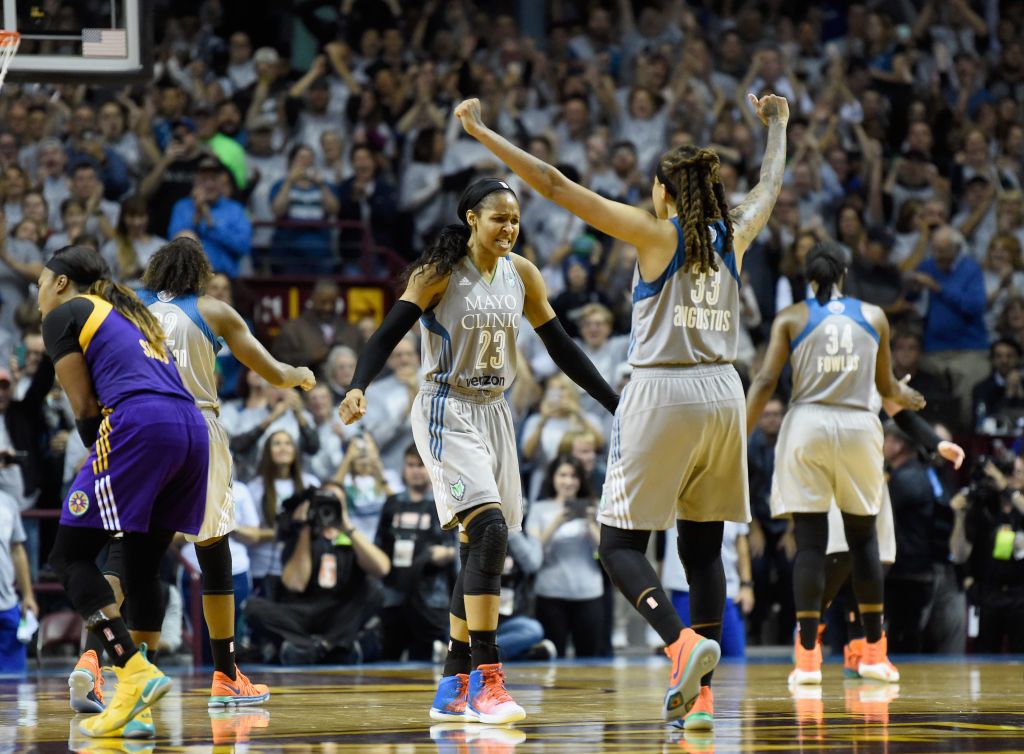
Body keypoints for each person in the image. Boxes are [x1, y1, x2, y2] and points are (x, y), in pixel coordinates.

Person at [450, 93, 788, 728]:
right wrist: (778, 125)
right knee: (703, 546)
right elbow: (771, 182)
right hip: (724, 391)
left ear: (664, 191)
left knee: (619, 544)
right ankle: (702, 697)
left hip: (664, 391)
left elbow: (552, 183)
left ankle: (679, 641)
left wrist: (481, 130)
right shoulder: (734, 235)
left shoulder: (655, 233)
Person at [338, 178, 619, 725]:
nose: (509, 228)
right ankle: (490, 680)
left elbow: (561, 347)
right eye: (499, 219)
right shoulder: (438, 273)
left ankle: (452, 681)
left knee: (480, 545)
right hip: (445, 404)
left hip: (495, 411)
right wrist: (358, 385)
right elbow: (387, 333)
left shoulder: (524, 276)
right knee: (490, 529)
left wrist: (614, 402)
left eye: (515, 220)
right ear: (471, 218)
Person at [81, 236, 312, 706]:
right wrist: (300, 376)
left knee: (124, 553)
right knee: (213, 551)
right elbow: (271, 372)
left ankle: (91, 660)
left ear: (154, 270)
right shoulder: (213, 310)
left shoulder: (120, 306)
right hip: (194, 427)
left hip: (134, 426)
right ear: (199, 275)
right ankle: (226, 674)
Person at [39, 245, 210, 738]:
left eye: (39, 286)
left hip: (140, 425)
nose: (37, 298)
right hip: (191, 431)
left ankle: (133, 672)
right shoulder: (129, 314)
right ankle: (140, 707)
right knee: (140, 569)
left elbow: (87, 411)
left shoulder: (66, 315)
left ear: (61, 284)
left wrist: (105, 465)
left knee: (68, 558)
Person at [746, 242, 925, 688]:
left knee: (810, 544)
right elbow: (885, 385)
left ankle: (807, 660)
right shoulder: (875, 316)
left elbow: (767, 379)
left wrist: (737, 432)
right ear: (844, 273)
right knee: (863, 541)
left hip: (807, 422)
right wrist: (905, 398)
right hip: (858, 426)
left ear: (808, 277)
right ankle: (874, 655)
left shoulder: (791, 317)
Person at [375, 443, 456, 661]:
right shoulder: (392, 504)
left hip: (431, 595)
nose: (415, 470)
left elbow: (458, 548)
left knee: (426, 658)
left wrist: (446, 553)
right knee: (388, 658)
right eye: (410, 465)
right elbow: (379, 544)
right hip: (394, 593)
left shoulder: (444, 504)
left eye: (421, 465)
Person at [524, 454, 605, 658]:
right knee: (552, 656)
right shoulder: (540, 508)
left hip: (589, 591)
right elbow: (531, 552)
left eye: (574, 476)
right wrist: (556, 523)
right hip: (551, 591)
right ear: (552, 477)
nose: (568, 481)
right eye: (562, 475)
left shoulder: (594, 507)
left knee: (590, 659)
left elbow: (605, 552)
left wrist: (591, 524)